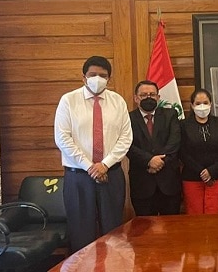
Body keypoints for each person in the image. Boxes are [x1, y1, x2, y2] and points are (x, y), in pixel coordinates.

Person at [54, 55, 133, 252]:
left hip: (111, 174)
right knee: (81, 234)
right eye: (92, 74)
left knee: (114, 233)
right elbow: (62, 138)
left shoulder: (118, 102)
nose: (97, 79)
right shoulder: (69, 101)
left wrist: (104, 164)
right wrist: (90, 166)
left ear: (109, 79)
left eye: (103, 75)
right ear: (84, 77)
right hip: (79, 176)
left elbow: (126, 138)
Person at [127, 80, 181, 216]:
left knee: (172, 226)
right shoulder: (128, 118)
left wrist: (159, 162)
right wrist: (149, 160)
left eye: (152, 94)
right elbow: (127, 145)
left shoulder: (170, 114)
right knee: (144, 227)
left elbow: (174, 142)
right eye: (143, 95)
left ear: (158, 97)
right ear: (136, 98)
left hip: (168, 183)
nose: (148, 98)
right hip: (142, 183)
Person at [180, 88, 218, 214]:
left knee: (214, 215)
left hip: (216, 177)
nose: (202, 106)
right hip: (192, 177)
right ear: (192, 105)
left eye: (205, 103)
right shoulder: (183, 125)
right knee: (194, 216)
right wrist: (202, 171)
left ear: (210, 104)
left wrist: (211, 171)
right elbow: (182, 152)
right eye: (198, 103)